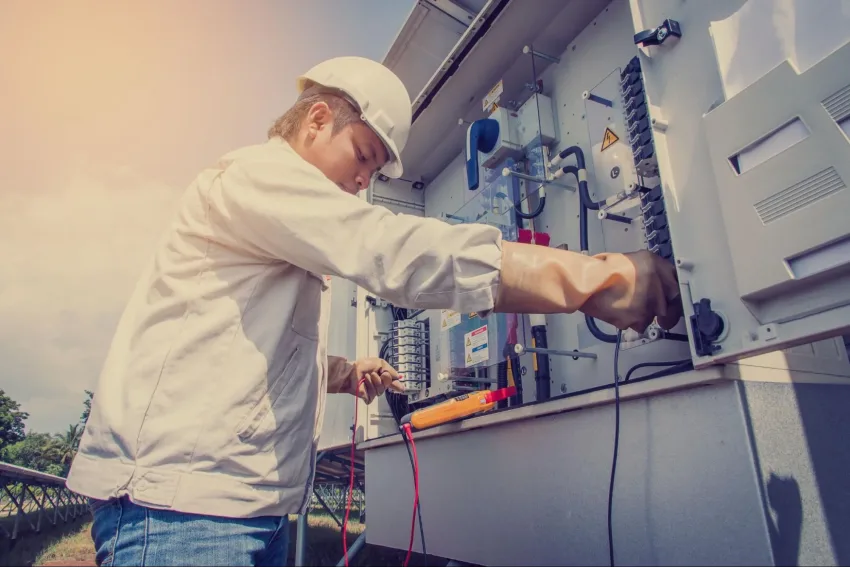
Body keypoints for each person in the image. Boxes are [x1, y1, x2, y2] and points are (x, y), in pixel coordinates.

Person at [66, 56, 683, 566]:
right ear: (317, 118)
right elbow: (387, 249)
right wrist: (585, 275)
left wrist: (341, 372)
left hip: (238, 506)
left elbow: (244, 342)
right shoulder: (256, 177)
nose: (366, 179)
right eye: (363, 155)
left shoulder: (279, 213)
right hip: (183, 513)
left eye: (376, 170)